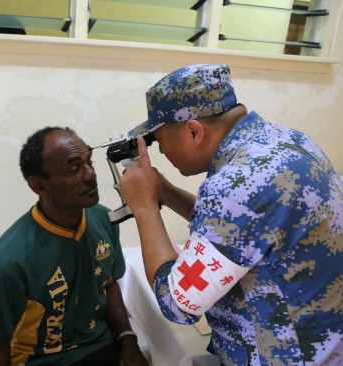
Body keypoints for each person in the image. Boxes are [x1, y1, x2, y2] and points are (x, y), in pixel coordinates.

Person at [119, 64, 343, 365]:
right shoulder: (290, 142)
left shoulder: (233, 186)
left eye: (160, 141)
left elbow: (177, 304)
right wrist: (167, 194)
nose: (161, 153)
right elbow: (244, 231)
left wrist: (144, 207)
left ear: (194, 131)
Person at [0, 127, 148, 365]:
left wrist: (129, 341)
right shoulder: (11, 259)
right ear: (38, 186)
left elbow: (109, 284)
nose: (90, 175)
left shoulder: (104, 220)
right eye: (74, 168)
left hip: (100, 346)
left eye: (89, 162)